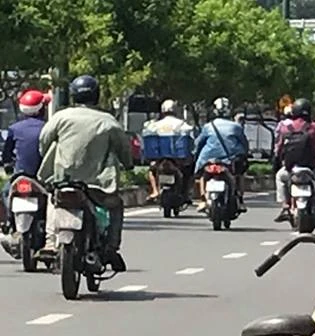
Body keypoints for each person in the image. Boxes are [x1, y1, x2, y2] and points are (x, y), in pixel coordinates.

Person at [38, 75, 133, 271]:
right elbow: (124, 150)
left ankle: (49, 242)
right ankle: (112, 248)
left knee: (52, 200)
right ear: (96, 96)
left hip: (63, 181)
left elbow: (44, 142)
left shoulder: (60, 117)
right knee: (116, 206)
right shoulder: (109, 122)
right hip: (97, 186)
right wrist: (128, 164)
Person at [272, 98, 315, 223]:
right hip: (313, 168)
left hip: (291, 169)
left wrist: (277, 161)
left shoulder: (286, 128)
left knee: (280, 177)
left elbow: (279, 148)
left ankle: (285, 206)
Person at [1, 89, 47, 253]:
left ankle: (8, 223)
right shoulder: (47, 128)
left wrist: (8, 165)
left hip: (20, 175)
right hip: (43, 179)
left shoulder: (14, 128)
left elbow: (7, 154)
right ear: (42, 109)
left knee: (6, 193)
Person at [193, 97, 249, 212]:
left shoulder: (208, 126)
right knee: (240, 174)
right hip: (230, 160)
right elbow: (244, 144)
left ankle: (203, 200)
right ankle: (241, 200)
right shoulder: (236, 127)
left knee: (202, 176)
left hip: (209, 159)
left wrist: (195, 155)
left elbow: (198, 144)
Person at [143, 99, 194, 201]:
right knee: (189, 170)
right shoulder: (181, 124)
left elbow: (147, 133)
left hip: (160, 157)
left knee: (152, 170)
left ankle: (155, 191)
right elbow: (190, 134)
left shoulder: (155, 125)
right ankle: (186, 194)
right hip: (177, 157)